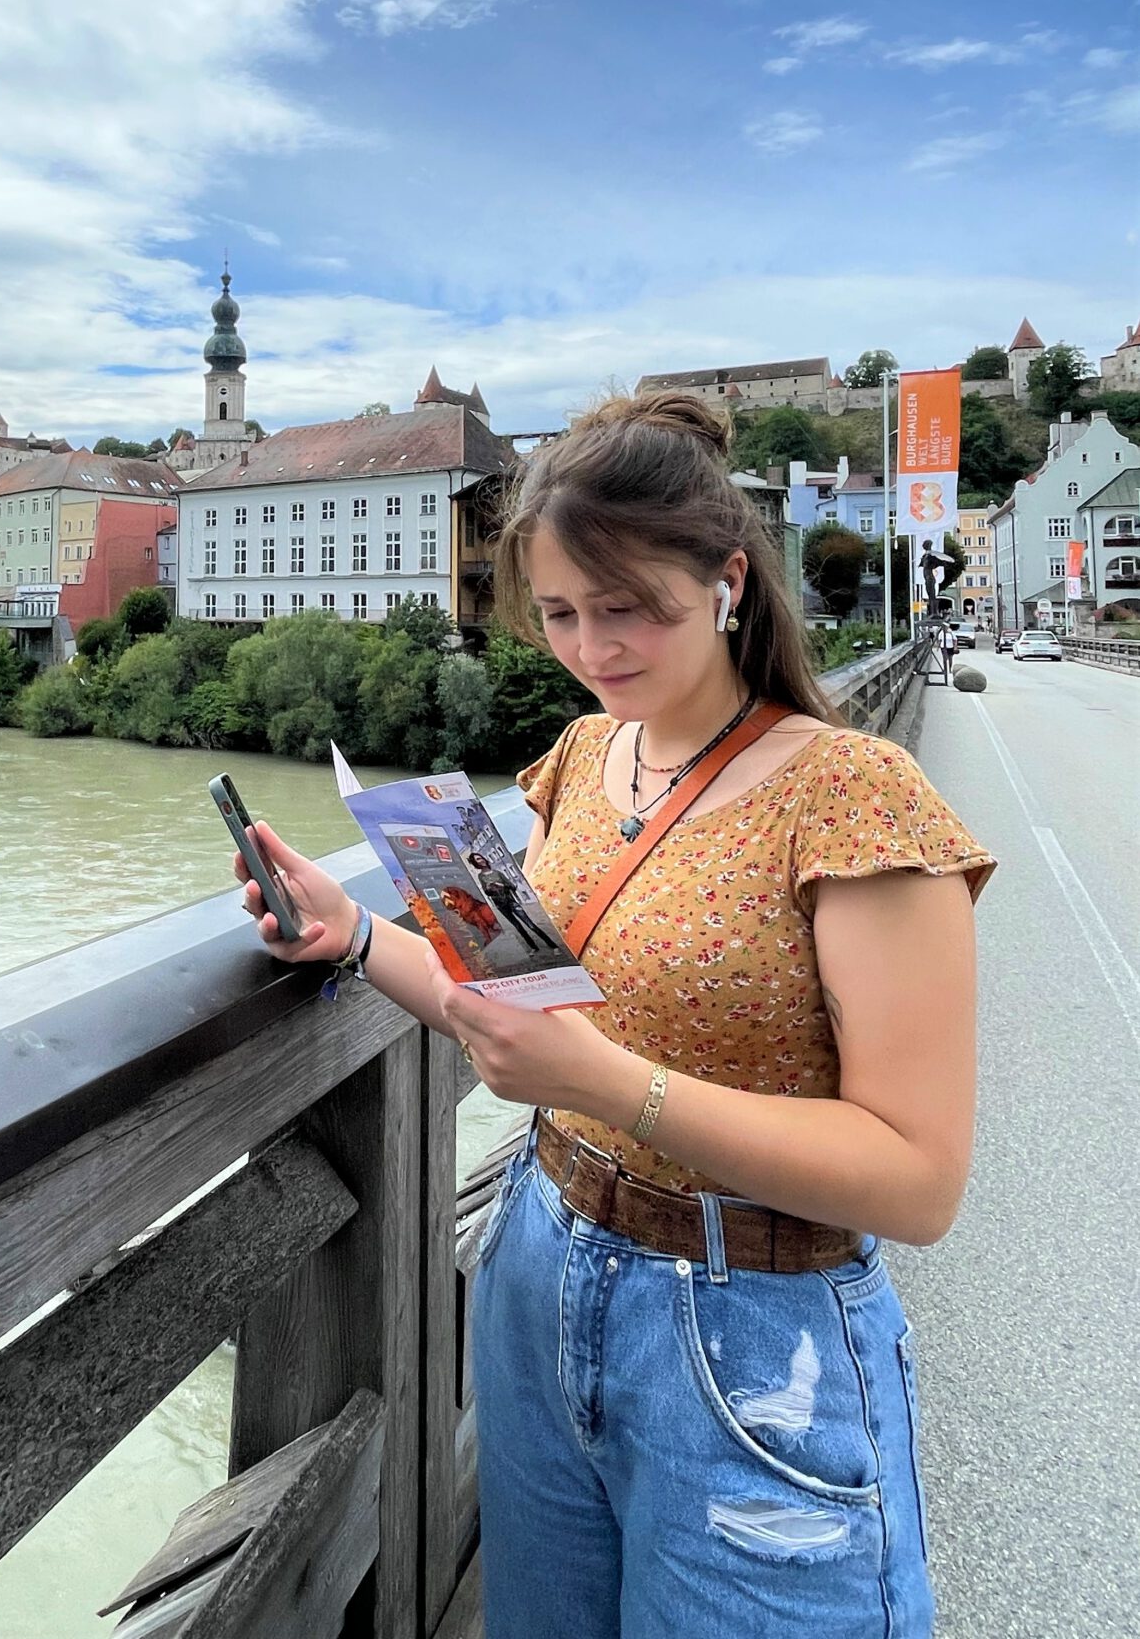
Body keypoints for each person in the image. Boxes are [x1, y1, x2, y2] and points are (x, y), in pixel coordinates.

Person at [234, 391, 994, 1639]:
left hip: (752, 1334)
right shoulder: (586, 758)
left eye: (629, 606)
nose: (594, 646)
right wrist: (357, 934)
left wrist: (605, 1084)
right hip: (542, 1267)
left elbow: (917, 1180)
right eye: (563, 615)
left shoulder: (853, 794)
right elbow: (512, 1013)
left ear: (729, 581)